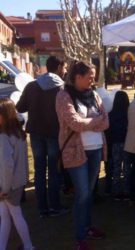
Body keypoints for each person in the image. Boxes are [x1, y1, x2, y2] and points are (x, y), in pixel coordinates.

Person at [55, 61, 109, 250]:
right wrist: (96, 120)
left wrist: (91, 122)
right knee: (82, 194)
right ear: (77, 77)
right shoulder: (64, 96)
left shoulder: (94, 94)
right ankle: (80, 236)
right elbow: (74, 123)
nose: (92, 80)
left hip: (95, 149)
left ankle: (87, 227)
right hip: (75, 151)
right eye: (90, 77)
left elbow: (106, 122)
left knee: (88, 193)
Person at [16, 55, 69, 218]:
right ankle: (54, 206)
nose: (65, 70)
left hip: (37, 133)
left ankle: (42, 208)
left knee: (39, 170)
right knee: (53, 170)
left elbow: (20, 106)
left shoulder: (32, 86)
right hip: (53, 133)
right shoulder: (62, 88)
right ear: (59, 67)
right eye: (65, 67)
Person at [0, 98, 34, 250]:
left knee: (14, 215)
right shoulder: (18, 133)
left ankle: (28, 246)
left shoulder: (3, 136)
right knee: (6, 216)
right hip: (17, 182)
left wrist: (4, 189)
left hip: (8, 186)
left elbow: (7, 165)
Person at [108, 91, 130, 201]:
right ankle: (127, 190)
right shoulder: (129, 113)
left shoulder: (111, 114)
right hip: (127, 143)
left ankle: (115, 190)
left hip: (115, 143)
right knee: (127, 167)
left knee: (116, 167)